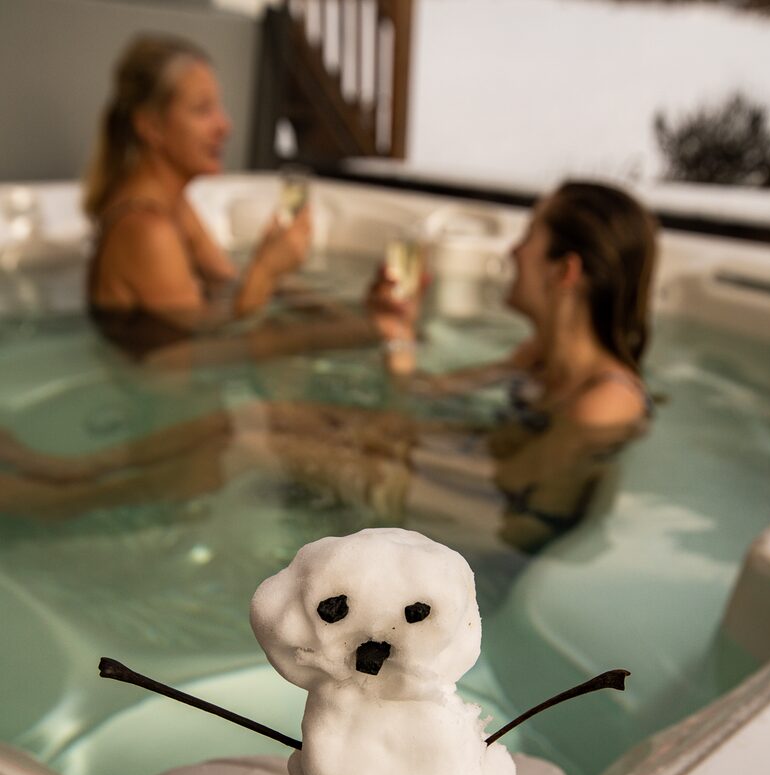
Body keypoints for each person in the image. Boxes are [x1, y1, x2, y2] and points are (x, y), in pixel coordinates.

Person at [3, 181, 657, 554]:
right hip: (460, 473)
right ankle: (72, 470)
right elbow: (423, 393)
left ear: (565, 272)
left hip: (489, 531)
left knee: (261, 442)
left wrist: (369, 444)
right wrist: (396, 336)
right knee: (263, 414)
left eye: (530, 238)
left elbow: (507, 486)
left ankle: (60, 505)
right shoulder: (534, 359)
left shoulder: (608, 400)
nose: (510, 252)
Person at [83, 35, 313, 358]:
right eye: (203, 110)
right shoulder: (147, 231)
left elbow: (227, 285)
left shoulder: (175, 208)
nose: (225, 126)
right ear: (151, 126)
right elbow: (205, 359)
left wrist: (279, 267)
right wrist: (265, 273)